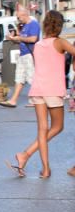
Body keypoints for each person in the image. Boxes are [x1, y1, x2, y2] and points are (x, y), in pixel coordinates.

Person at [9, 10, 73, 178]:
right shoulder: (60, 43)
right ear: (59, 26)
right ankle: (26, 154)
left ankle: (43, 168)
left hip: (38, 89)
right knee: (58, 126)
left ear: (45, 25)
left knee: (42, 129)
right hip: (53, 90)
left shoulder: (38, 44)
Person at [3, 5, 39, 107]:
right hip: (22, 53)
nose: (18, 19)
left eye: (18, 17)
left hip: (29, 53)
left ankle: (36, 99)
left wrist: (19, 38)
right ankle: (13, 100)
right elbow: (22, 39)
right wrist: (14, 38)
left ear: (24, 15)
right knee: (19, 78)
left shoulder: (33, 24)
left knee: (31, 77)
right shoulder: (24, 26)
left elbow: (33, 39)